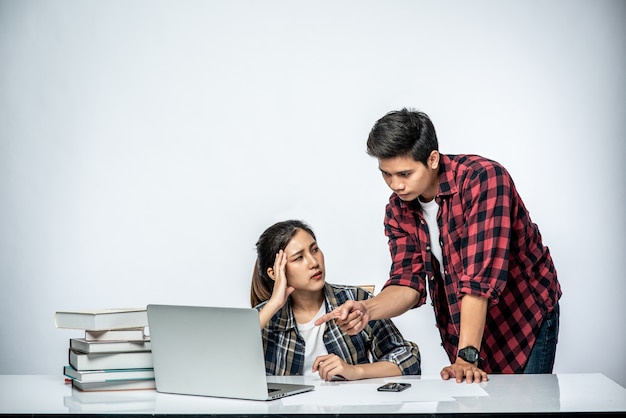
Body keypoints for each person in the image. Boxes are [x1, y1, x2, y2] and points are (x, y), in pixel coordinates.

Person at [316, 108, 562, 384]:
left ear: (432, 159)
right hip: (465, 328)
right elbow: (407, 282)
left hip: (522, 317)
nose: (396, 185)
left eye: (405, 173)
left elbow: (478, 280)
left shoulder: (484, 180)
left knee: (527, 411)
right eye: (386, 174)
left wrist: (466, 356)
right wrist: (368, 310)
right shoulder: (398, 210)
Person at [251, 219, 421, 381]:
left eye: (314, 249)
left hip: (349, 408)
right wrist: (274, 303)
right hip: (283, 412)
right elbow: (228, 364)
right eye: (298, 258)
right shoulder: (263, 317)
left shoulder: (354, 301)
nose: (313, 262)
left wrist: (355, 371)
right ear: (274, 273)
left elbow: (409, 357)